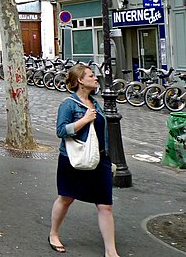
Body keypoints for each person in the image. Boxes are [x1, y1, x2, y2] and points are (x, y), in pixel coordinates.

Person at [48, 64, 119, 256]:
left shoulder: (95, 103)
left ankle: (111, 251)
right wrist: (84, 120)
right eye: (91, 76)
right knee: (66, 198)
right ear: (80, 80)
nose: (96, 78)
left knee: (106, 205)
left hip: (99, 159)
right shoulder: (68, 105)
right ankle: (53, 234)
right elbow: (61, 131)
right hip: (73, 158)